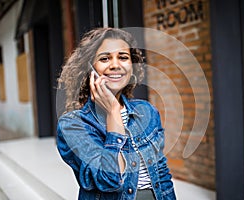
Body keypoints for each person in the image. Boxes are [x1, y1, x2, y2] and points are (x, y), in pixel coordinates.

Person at [56, 27, 176, 200]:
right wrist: (113, 113)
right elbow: (109, 180)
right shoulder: (73, 125)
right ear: (89, 68)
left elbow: (162, 174)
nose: (115, 65)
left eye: (123, 57)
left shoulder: (147, 111)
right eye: (105, 58)